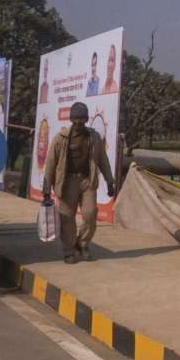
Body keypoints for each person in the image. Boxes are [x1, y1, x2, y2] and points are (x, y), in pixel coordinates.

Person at [41, 102, 116, 263]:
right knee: (67, 217)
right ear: (70, 119)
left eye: (81, 120)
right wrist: (47, 188)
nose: (78, 123)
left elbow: (103, 160)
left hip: (87, 181)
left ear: (87, 119)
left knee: (90, 214)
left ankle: (82, 244)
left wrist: (110, 181)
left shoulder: (94, 138)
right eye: (75, 119)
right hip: (67, 182)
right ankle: (69, 250)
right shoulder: (60, 138)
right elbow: (51, 163)